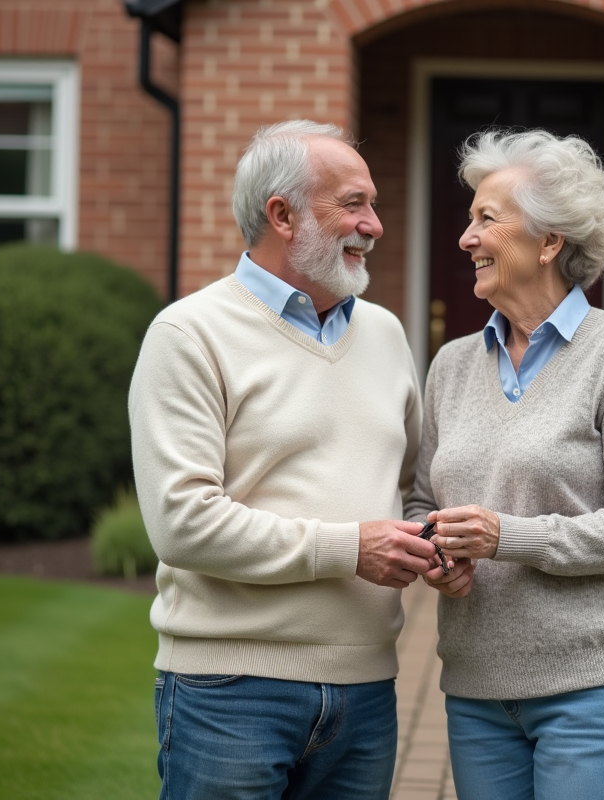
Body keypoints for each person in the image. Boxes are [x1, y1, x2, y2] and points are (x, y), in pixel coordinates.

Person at [129, 120, 466, 800]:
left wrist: (433, 542)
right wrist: (349, 549)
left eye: (372, 205)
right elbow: (182, 523)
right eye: (352, 203)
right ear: (280, 214)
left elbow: (405, 491)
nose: (373, 224)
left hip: (367, 693)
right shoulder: (188, 335)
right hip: (229, 694)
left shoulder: (386, 333)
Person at [406, 129, 604, 800]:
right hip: (476, 691)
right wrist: (435, 553)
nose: (466, 238)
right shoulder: (451, 365)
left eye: (486, 219)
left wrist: (508, 537)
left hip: (594, 691)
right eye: (469, 220)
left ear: (550, 241)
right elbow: (419, 502)